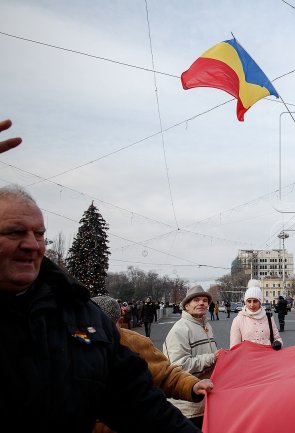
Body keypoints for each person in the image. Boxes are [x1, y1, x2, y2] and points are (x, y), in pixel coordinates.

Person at [0, 184, 198, 432]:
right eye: (15, 232)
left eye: (39, 234)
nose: (32, 244)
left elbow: (141, 405)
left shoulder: (82, 315)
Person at [91, 295, 214, 433]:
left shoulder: (137, 343)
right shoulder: (72, 347)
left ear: (120, 322)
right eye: (196, 300)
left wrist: (191, 385)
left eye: (104, 327)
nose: (97, 334)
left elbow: (165, 373)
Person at [164, 285, 224, 429]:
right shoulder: (180, 329)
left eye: (204, 300)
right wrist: (211, 358)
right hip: (187, 407)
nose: (201, 303)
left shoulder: (207, 326)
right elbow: (178, 367)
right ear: (187, 306)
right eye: (196, 300)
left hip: (205, 401)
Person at [229, 279, 282, 350]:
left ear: (260, 302)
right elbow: (234, 347)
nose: (252, 304)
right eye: (249, 301)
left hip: (267, 357)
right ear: (245, 302)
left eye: (255, 301)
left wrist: (278, 343)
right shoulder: (238, 320)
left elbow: (277, 337)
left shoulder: (268, 317)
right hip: (248, 359)